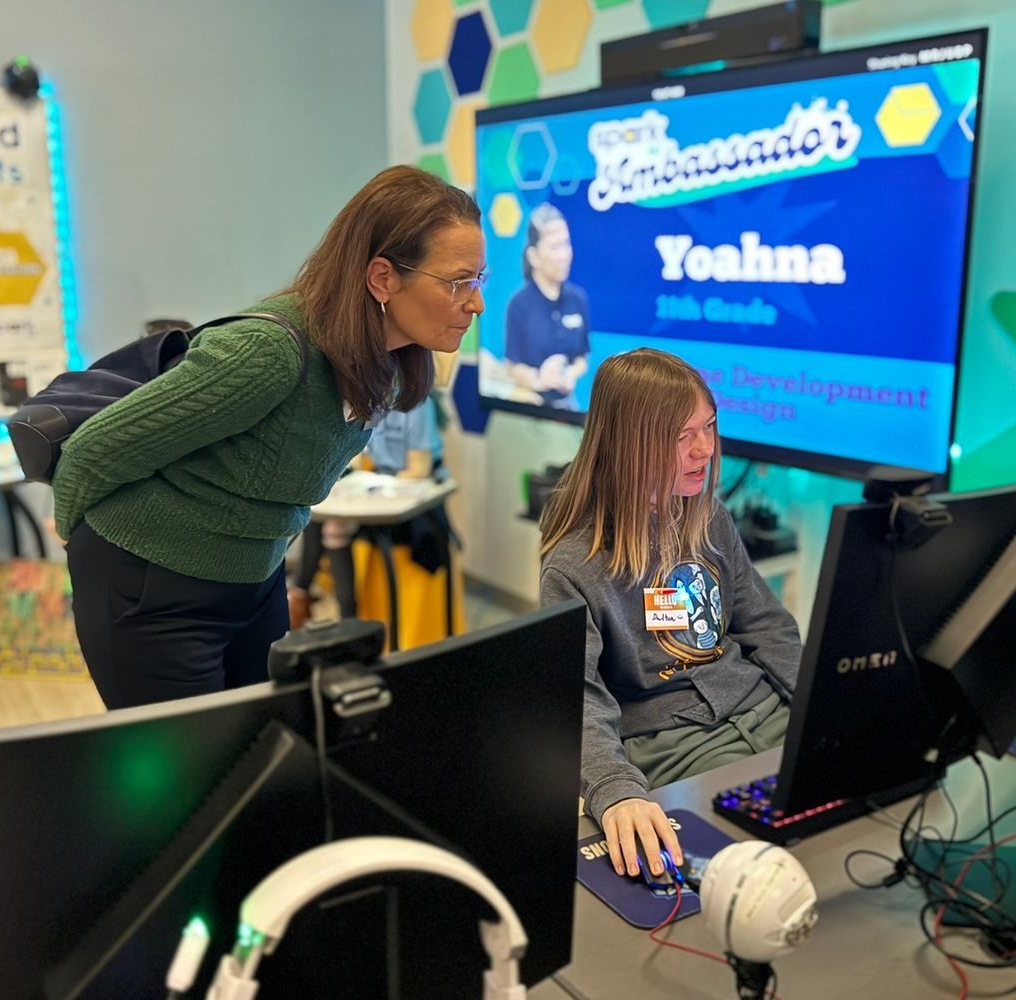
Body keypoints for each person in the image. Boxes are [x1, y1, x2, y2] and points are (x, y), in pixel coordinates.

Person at [54, 165, 486, 710]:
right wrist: (78, 538)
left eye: (479, 279)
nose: (475, 302)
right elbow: (94, 449)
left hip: (252, 583)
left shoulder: (389, 364)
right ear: (382, 278)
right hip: (148, 586)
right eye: (458, 281)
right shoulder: (269, 352)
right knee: (185, 777)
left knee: (260, 753)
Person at [538, 349, 801, 880]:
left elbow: (767, 626)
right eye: (682, 437)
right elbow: (576, 698)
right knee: (753, 874)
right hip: (676, 749)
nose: (704, 450)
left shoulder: (707, 515)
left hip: (767, 714)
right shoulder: (573, 564)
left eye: (708, 427)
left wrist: (825, 706)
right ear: (630, 446)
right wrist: (614, 790)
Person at [289, 391, 447, 624]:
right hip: (375, 485)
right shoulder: (371, 398)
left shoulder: (417, 406)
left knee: (333, 524)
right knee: (318, 515)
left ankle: (327, 610)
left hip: (410, 497)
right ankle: (314, 603)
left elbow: (417, 470)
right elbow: (361, 456)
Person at [503, 202, 590, 409]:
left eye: (566, 244)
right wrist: (538, 378)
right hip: (529, 406)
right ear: (533, 256)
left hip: (568, 408)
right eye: (554, 247)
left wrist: (570, 373)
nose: (565, 255)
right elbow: (511, 365)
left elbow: (582, 357)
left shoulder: (578, 299)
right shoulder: (519, 304)